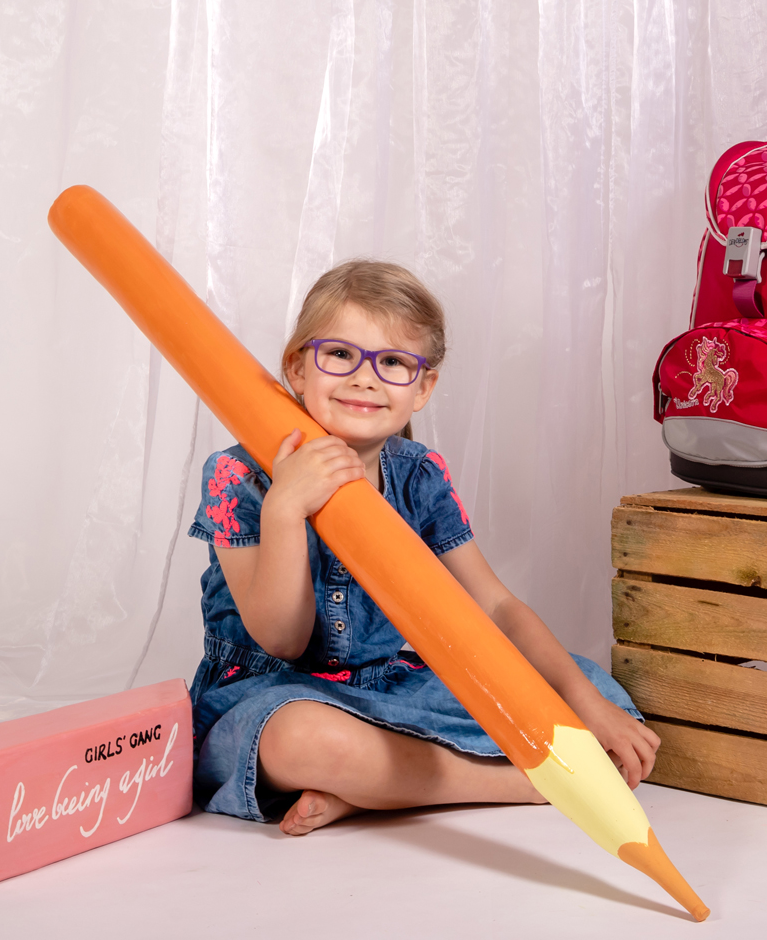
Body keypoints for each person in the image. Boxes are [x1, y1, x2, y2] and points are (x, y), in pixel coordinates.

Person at [187, 260, 658, 836]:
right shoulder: (236, 475)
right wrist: (286, 507)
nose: (365, 378)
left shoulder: (418, 474)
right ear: (297, 368)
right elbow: (281, 638)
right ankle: (518, 783)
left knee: (594, 688)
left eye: (392, 362)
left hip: (395, 684)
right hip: (278, 692)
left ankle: (372, 793)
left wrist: (584, 701)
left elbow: (494, 607)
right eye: (340, 354)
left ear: (423, 387)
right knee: (299, 742)